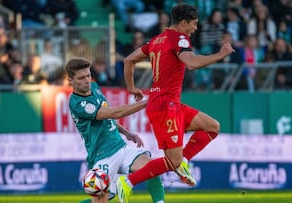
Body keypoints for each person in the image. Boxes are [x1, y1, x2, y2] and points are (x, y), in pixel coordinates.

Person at [119, 3, 235, 202]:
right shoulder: (179, 39)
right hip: (166, 106)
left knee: (212, 127)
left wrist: (131, 87)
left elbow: (129, 60)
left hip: (170, 104)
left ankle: (184, 161)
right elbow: (191, 63)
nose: (195, 29)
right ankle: (127, 183)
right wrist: (220, 55)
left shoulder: (156, 40)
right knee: (171, 161)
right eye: (194, 24)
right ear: (183, 23)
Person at [66, 57, 164, 203]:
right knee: (102, 200)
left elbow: (107, 118)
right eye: (81, 78)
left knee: (152, 168)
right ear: (70, 80)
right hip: (102, 156)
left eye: (88, 75)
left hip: (120, 147)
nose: (87, 80)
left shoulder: (94, 87)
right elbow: (112, 113)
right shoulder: (77, 104)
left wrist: (126, 133)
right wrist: (147, 102)